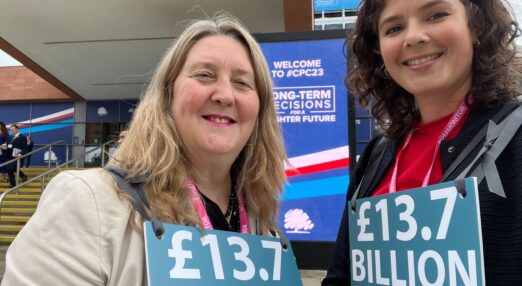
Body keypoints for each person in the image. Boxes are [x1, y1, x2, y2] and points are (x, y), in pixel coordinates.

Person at [2, 12, 287, 285]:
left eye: (242, 83)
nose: (225, 95)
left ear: (260, 109)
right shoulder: (90, 204)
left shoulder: (264, 229)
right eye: (204, 75)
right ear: (167, 96)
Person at [323, 0, 521, 285]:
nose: (414, 36)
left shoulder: (515, 138)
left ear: (476, 27)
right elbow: (340, 277)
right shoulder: (375, 156)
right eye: (394, 28)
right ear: (379, 49)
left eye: (436, 15)